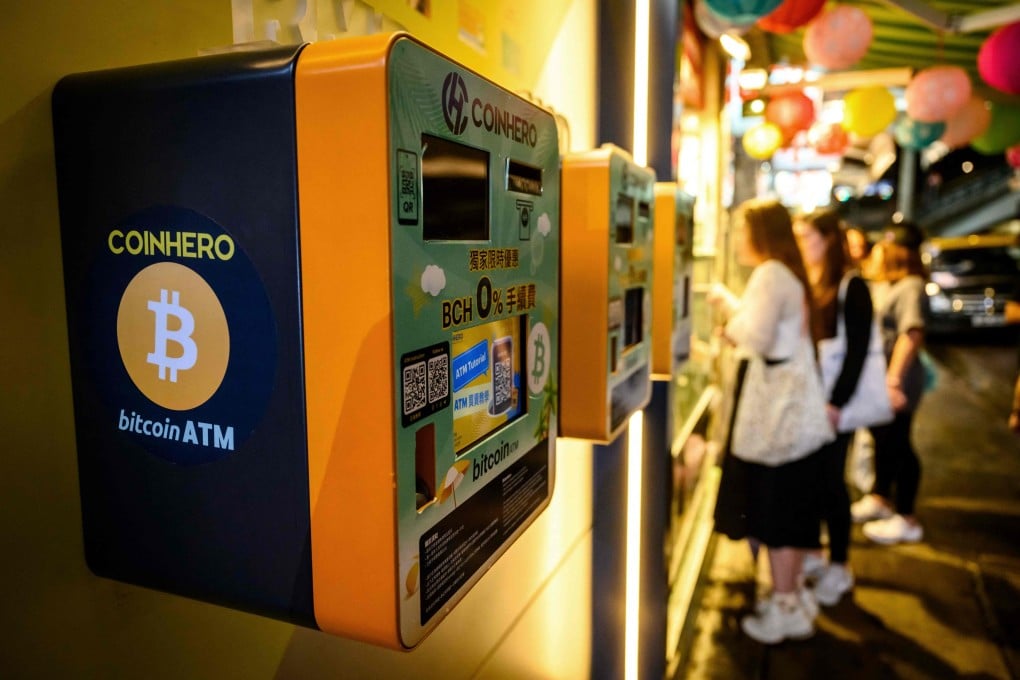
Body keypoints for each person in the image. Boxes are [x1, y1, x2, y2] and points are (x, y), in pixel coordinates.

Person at [709, 198, 827, 644]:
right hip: (796, 417)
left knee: (777, 516)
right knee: (794, 514)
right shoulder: (787, 273)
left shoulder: (769, 273)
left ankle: (784, 608)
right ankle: (792, 596)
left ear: (759, 233)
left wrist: (728, 315)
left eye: (742, 230)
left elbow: (754, 334)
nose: (738, 240)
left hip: (776, 421)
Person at [794, 210, 873, 606]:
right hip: (811, 398)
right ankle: (816, 553)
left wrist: (836, 403)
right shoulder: (814, 279)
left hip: (832, 402)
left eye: (806, 236)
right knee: (812, 480)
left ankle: (840, 565)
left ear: (826, 239)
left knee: (830, 482)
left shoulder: (850, 284)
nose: (801, 244)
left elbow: (858, 351)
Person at [851, 221, 929, 544]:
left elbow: (911, 335)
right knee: (883, 439)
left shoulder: (910, 285)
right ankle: (881, 498)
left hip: (898, 378)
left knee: (898, 443)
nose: (879, 251)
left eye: (885, 246)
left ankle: (907, 518)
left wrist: (893, 380)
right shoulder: (894, 284)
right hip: (884, 377)